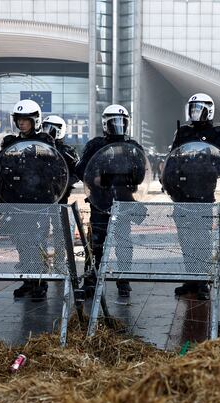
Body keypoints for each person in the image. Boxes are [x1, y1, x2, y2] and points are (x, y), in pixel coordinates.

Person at [75, 105, 144, 297]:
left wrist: (120, 176)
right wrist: (95, 177)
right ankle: (91, 278)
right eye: (114, 121)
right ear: (105, 123)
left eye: (122, 121)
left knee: (123, 243)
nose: (118, 125)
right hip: (99, 201)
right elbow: (80, 169)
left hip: (124, 201)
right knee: (95, 242)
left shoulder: (133, 147)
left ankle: (123, 279)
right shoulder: (95, 145)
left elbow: (140, 174)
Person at [169, 93, 220, 300]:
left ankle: (203, 281)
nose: (195, 113)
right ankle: (191, 278)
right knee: (185, 239)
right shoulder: (183, 132)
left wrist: (200, 163)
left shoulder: (218, 134)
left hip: (204, 193)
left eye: (199, 109)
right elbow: (172, 160)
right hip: (182, 194)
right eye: (193, 109)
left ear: (209, 111)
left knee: (202, 240)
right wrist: (170, 183)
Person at [0, 99, 57, 301]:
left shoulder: (45, 141)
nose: (22, 124)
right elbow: (1, 169)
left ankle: (40, 282)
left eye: (26, 120)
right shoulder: (10, 142)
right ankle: (28, 280)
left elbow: (54, 169)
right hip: (17, 200)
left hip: (39, 200)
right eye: (19, 120)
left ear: (35, 120)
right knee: (21, 241)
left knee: (37, 241)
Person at [42, 114, 79, 204]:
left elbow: (78, 172)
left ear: (59, 131)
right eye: (45, 128)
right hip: (40, 193)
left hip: (60, 195)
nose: (46, 132)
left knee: (60, 217)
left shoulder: (67, 152)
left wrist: (64, 183)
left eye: (50, 129)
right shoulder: (38, 147)